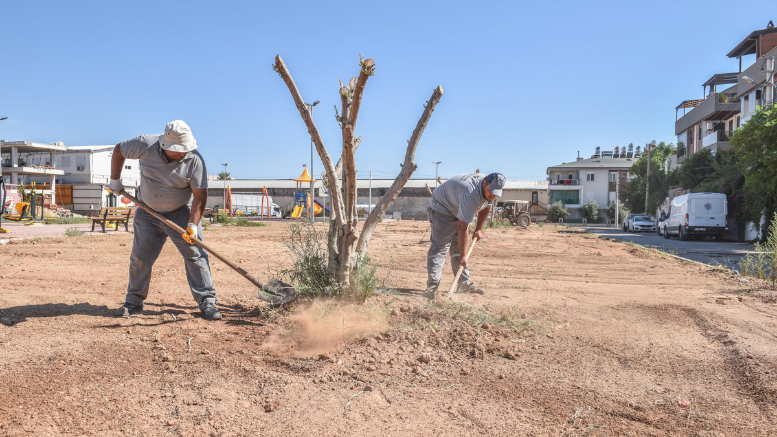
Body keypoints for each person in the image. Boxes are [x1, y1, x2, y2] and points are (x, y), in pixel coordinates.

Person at [109, 120, 221, 320]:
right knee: (140, 259)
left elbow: (200, 197)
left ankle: (208, 302)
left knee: (196, 255)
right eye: (179, 151)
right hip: (147, 213)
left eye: (186, 149)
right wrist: (115, 179)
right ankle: (133, 303)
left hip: (180, 213)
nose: (183, 154)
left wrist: (193, 225)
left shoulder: (195, 160)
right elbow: (119, 150)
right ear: (165, 145)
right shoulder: (145, 145)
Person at [424, 172, 504, 299]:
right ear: (484, 183)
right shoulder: (470, 193)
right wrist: (463, 256)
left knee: (458, 247)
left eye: (496, 193)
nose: (493, 195)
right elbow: (463, 227)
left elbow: (487, 205)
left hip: (457, 206)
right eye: (491, 191)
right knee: (440, 247)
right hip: (442, 207)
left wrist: (479, 229)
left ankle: (464, 284)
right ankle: (432, 285)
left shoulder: (491, 190)